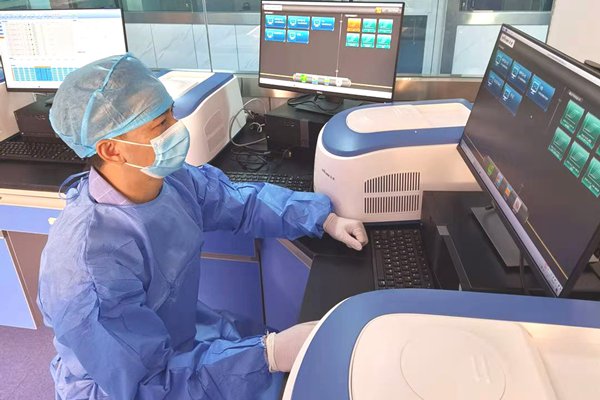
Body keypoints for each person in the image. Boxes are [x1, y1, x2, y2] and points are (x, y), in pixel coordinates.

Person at [37, 54, 368, 400]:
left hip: (180, 341)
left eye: (171, 113)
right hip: (127, 387)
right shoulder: (87, 272)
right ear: (111, 149)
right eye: (160, 124)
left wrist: (321, 217)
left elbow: (238, 202)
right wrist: (270, 354)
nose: (176, 128)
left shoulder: (168, 181)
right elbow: (149, 385)